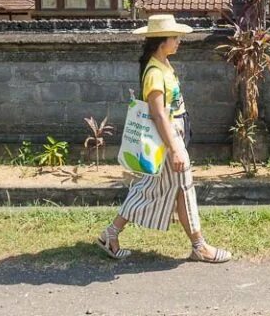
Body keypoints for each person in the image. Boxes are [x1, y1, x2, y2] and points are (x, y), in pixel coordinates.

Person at [97, 14, 231, 263]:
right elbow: (158, 115)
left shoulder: (163, 65)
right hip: (168, 136)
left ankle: (110, 234)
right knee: (182, 188)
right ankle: (199, 246)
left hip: (172, 133)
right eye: (174, 37)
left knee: (151, 188)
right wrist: (176, 149)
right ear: (161, 41)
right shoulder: (155, 73)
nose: (179, 41)